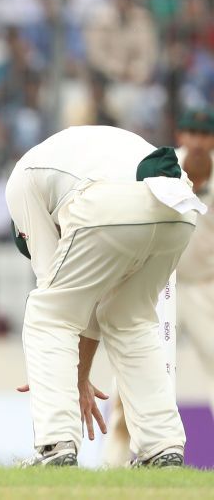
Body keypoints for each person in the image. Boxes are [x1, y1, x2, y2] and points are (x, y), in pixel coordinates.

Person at [6, 125, 206, 467]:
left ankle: (55, 446)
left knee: (46, 314)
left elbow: (63, 310)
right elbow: (91, 307)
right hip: (179, 205)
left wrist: (76, 377)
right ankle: (162, 447)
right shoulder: (68, 157)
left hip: (113, 202)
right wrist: (80, 374)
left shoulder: (20, 185)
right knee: (129, 319)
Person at [103, 107, 214, 466]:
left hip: (203, 287)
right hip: (159, 285)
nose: (198, 142)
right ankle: (114, 461)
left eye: (205, 134)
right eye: (191, 133)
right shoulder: (164, 166)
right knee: (133, 371)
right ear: (181, 135)